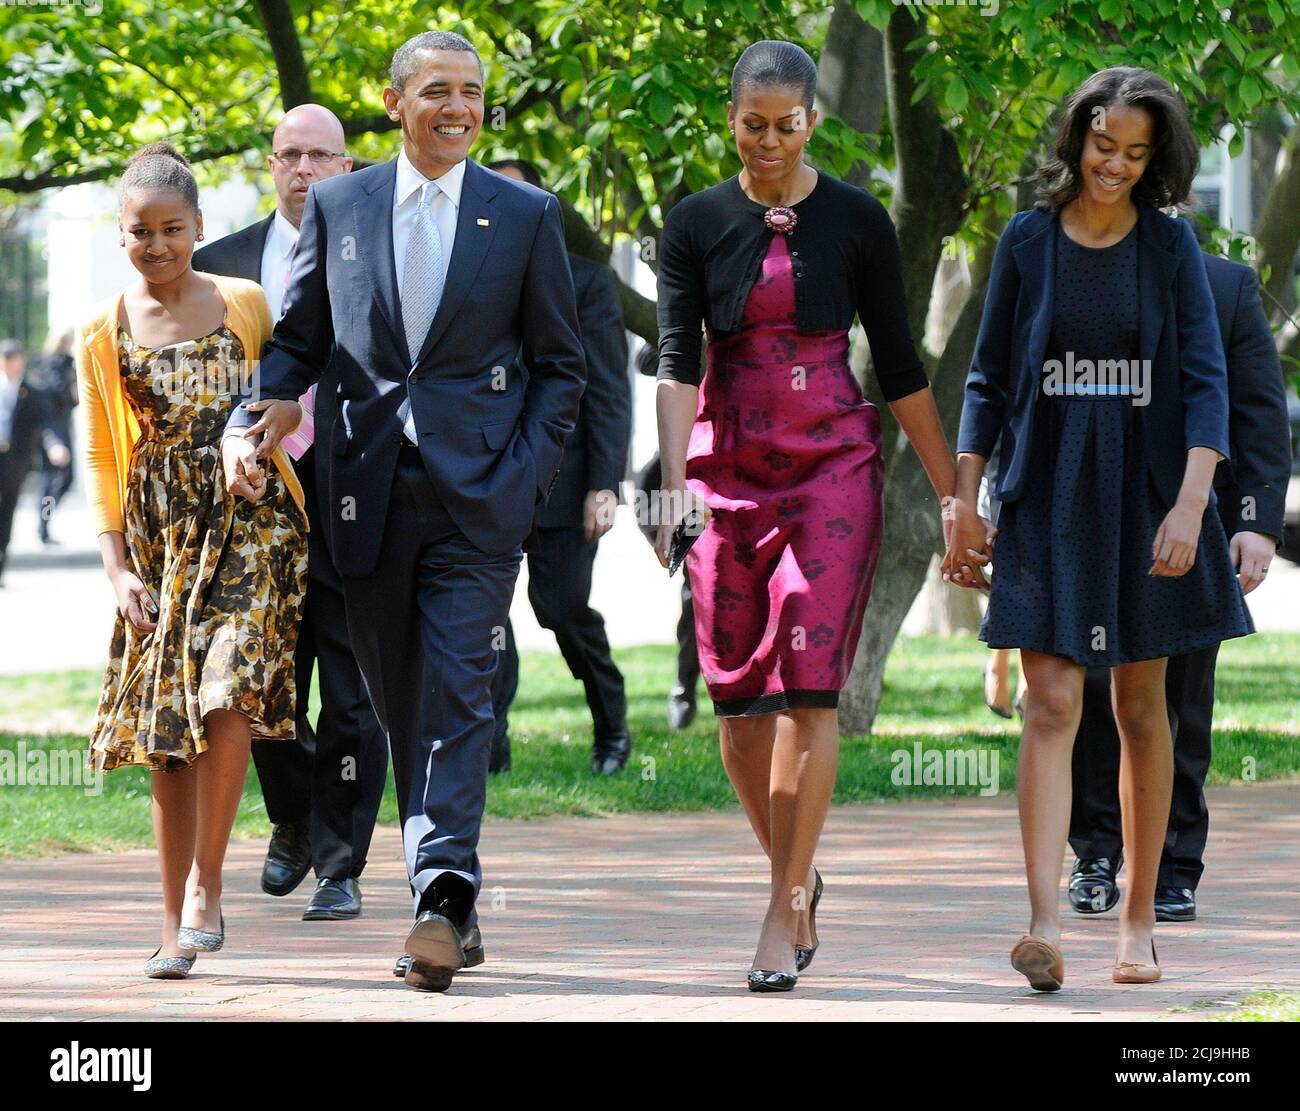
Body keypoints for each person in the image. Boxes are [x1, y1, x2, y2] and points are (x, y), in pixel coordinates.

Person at [221, 31, 585, 993]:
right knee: (399, 701)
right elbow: (297, 343)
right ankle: (449, 899)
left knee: (461, 688)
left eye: (471, 92)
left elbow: (562, 368)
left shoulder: (526, 215)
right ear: (395, 101)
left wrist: (523, 480)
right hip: (364, 495)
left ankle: (442, 892)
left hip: (480, 500)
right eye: (436, 91)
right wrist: (265, 412)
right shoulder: (340, 204)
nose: (457, 108)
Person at [654, 40, 984, 993]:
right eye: (751, 124)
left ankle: (782, 905)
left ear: (814, 123)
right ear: (730, 119)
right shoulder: (694, 222)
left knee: (808, 688)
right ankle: (793, 870)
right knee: (737, 704)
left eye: (785, 126)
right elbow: (678, 358)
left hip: (834, 467)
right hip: (727, 471)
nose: (767, 142)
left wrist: (953, 488)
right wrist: (675, 481)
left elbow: (904, 366)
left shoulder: (858, 220)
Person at [952, 67, 1253, 991]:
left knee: (1137, 707)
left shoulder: (1169, 248)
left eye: (1134, 152)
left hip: (1149, 492)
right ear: (1075, 136)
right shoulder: (1028, 240)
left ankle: (1135, 921)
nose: (1112, 164)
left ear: (1156, 158)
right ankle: (1044, 920)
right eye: (1100, 145)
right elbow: (988, 378)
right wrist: (965, 498)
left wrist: (1194, 503)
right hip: (1047, 490)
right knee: (1048, 704)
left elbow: (1207, 381)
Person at [75, 142, 307, 979]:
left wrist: (262, 433)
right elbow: (102, 454)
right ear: (123, 235)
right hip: (160, 536)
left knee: (229, 684)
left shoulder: (245, 301)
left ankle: (210, 884)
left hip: (252, 517)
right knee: (167, 734)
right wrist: (116, 567)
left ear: (199, 227)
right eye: (142, 232)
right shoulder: (102, 330)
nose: (159, 245)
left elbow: (294, 395)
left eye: (173, 229)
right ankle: (173, 924)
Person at [195, 104, 388, 923]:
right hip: (252, 503)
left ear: (347, 168)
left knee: (351, 692)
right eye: (290, 155)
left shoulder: (375, 244)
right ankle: (294, 819)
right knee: (258, 685)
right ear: (271, 164)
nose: (305, 169)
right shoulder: (217, 265)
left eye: (322, 156)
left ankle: (341, 862)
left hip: (354, 489)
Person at [1068, 248, 1291, 922]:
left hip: (1196, 521)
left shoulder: (1226, 284)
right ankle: (1097, 853)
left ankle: (1173, 861)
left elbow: (1259, 409)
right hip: (1095, 513)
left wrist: (1255, 523)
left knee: (1180, 698)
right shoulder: (1075, 272)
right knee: (1094, 685)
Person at [486, 158, 633, 777]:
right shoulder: (467, 280)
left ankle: (612, 727)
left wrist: (604, 484)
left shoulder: (589, 283)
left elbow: (606, 391)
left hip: (567, 481)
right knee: (485, 618)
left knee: (562, 607)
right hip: (485, 479)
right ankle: (490, 751)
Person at [630, 343, 701, 730]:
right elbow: (645, 361)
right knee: (696, 588)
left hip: (743, 465)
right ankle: (684, 685)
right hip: (680, 478)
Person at [26, 328, 78, 546]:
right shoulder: (54, 363)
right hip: (53, 431)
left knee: (61, 480)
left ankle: (44, 522)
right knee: (52, 480)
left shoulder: (64, 362)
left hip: (61, 427)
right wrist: (73, 391)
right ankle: (43, 525)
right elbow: (55, 393)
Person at [0, 338, 38, 584]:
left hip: (14, 462)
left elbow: (45, 421)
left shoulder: (31, 390)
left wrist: (56, 445)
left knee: (7, 512)